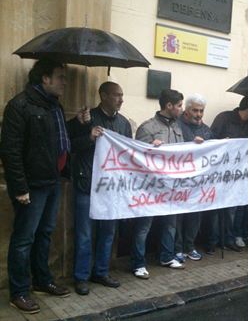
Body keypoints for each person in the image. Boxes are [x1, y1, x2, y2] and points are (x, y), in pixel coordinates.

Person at [0, 59, 71, 313]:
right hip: (32, 186)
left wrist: (81, 124)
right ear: (45, 78)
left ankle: (42, 281)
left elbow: (58, 140)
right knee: (23, 239)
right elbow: (10, 151)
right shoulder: (20, 106)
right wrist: (19, 188)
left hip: (52, 181)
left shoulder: (55, 107)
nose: (65, 82)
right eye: (60, 76)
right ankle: (18, 292)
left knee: (44, 234)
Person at [67, 81, 132, 295]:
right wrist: (88, 135)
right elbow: (70, 146)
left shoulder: (123, 123)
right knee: (85, 234)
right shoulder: (87, 118)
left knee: (107, 233)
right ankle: (81, 277)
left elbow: (129, 153)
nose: (121, 99)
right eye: (116, 95)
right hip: (88, 184)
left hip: (111, 188)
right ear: (103, 95)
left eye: (122, 95)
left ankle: (101, 272)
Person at [131, 89, 185, 278]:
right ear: (168, 106)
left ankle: (166, 256)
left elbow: (183, 153)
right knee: (144, 225)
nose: (181, 109)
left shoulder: (178, 127)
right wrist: (150, 148)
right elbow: (137, 158)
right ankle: (138, 263)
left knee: (171, 223)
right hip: (151, 188)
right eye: (179, 105)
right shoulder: (147, 128)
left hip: (171, 186)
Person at [208, 96, 248, 254]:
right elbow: (211, 140)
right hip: (221, 173)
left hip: (240, 175)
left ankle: (228, 238)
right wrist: (224, 142)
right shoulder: (224, 118)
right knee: (217, 209)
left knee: (235, 207)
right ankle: (213, 240)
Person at [174, 93, 213, 263]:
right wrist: (191, 142)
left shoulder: (206, 129)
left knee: (195, 216)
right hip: (180, 180)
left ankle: (189, 247)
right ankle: (177, 248)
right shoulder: (176, 125)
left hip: (199, 183)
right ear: (187, 110)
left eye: (201, 111)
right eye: (195, 110)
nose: (199, 114)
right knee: (178, 216)